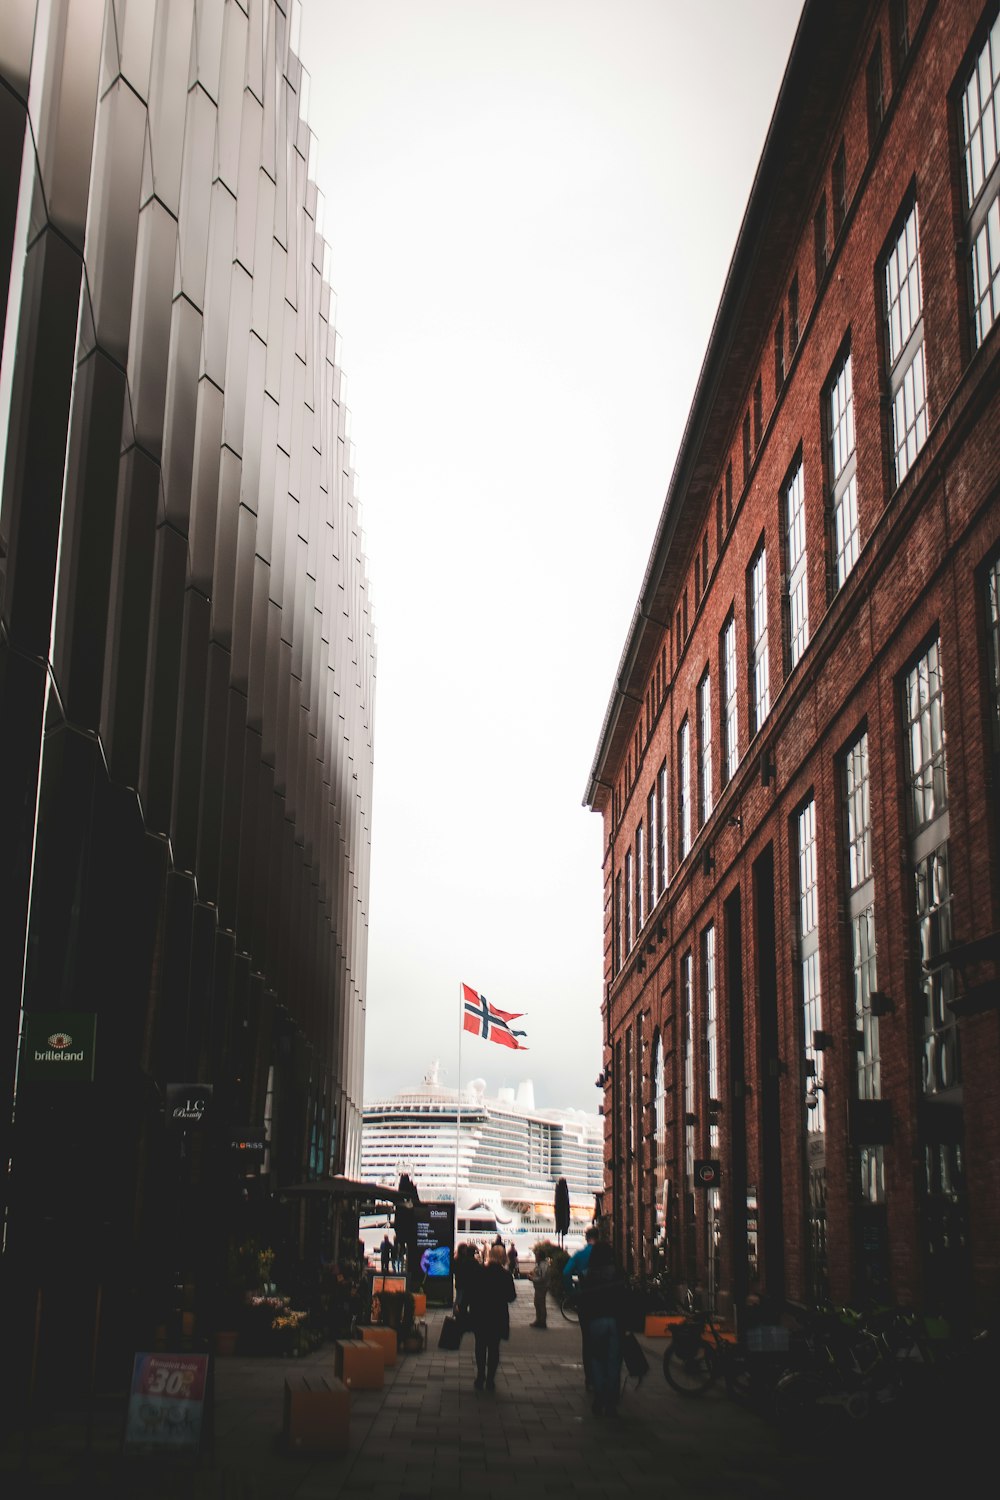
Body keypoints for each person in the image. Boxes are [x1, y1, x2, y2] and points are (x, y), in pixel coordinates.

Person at [576, 1240, 630, 1418]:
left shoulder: (586, 1275)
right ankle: (611, 1403)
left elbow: (582, 1303)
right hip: (614, 1322)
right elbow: (625, 1300)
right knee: (613, 1363)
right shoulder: (619, 1273)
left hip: (595, 1322)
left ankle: (599, 1397)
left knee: (597, 1361)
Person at [467, 1243, 516, 1392]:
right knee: (494, 1348)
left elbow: (471, 1293)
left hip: (480, 1314)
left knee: (480, 1346)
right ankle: (490, 1380)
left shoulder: (479, 1272)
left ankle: (480, 1375)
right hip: (497, 1316)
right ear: (503, 1258)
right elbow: (511, 1297)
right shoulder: (506, 1275)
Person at [563, 1226, 600, 1388]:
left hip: (585, 1301)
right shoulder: (605, 1254)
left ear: (586, 1238)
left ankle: (590, 1378)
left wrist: (573, 1292)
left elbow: (566, 1273)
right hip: (605, 1302)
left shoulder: (580, 1255)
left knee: (588, 1341)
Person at [529, 1248, 549, 1329]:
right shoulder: (540, 1264)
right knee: (537, 1303)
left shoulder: (543, 1265)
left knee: (540, 1304)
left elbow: (542, 1277)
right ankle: (539, 1320)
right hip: (539, 1287)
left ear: (540, 1257)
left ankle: (542, 1321)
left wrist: (532, 1278)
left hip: (541, 1287)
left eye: (536, 1256)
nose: (535, 1258)